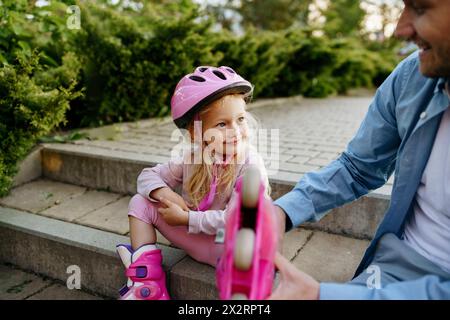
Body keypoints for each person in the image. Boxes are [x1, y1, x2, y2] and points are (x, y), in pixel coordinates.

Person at [270, 0, 450, 299]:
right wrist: (283, 210)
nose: (399, 29)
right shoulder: (411, 78)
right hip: (393, 267)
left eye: (420, 8)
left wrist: (324, 296)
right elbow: (358, 166)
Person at [116, 66, 270, 300]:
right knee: (140, 202)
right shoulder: (193, 156)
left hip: (230, 248)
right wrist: (166, 194)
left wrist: (187, 219)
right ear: (197, 133)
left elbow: (236, 220)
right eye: (222, 124)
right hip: (200, 241)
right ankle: (147, 284)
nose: (235, 131)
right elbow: (147, 175)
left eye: (240, 119)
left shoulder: (251, 165)